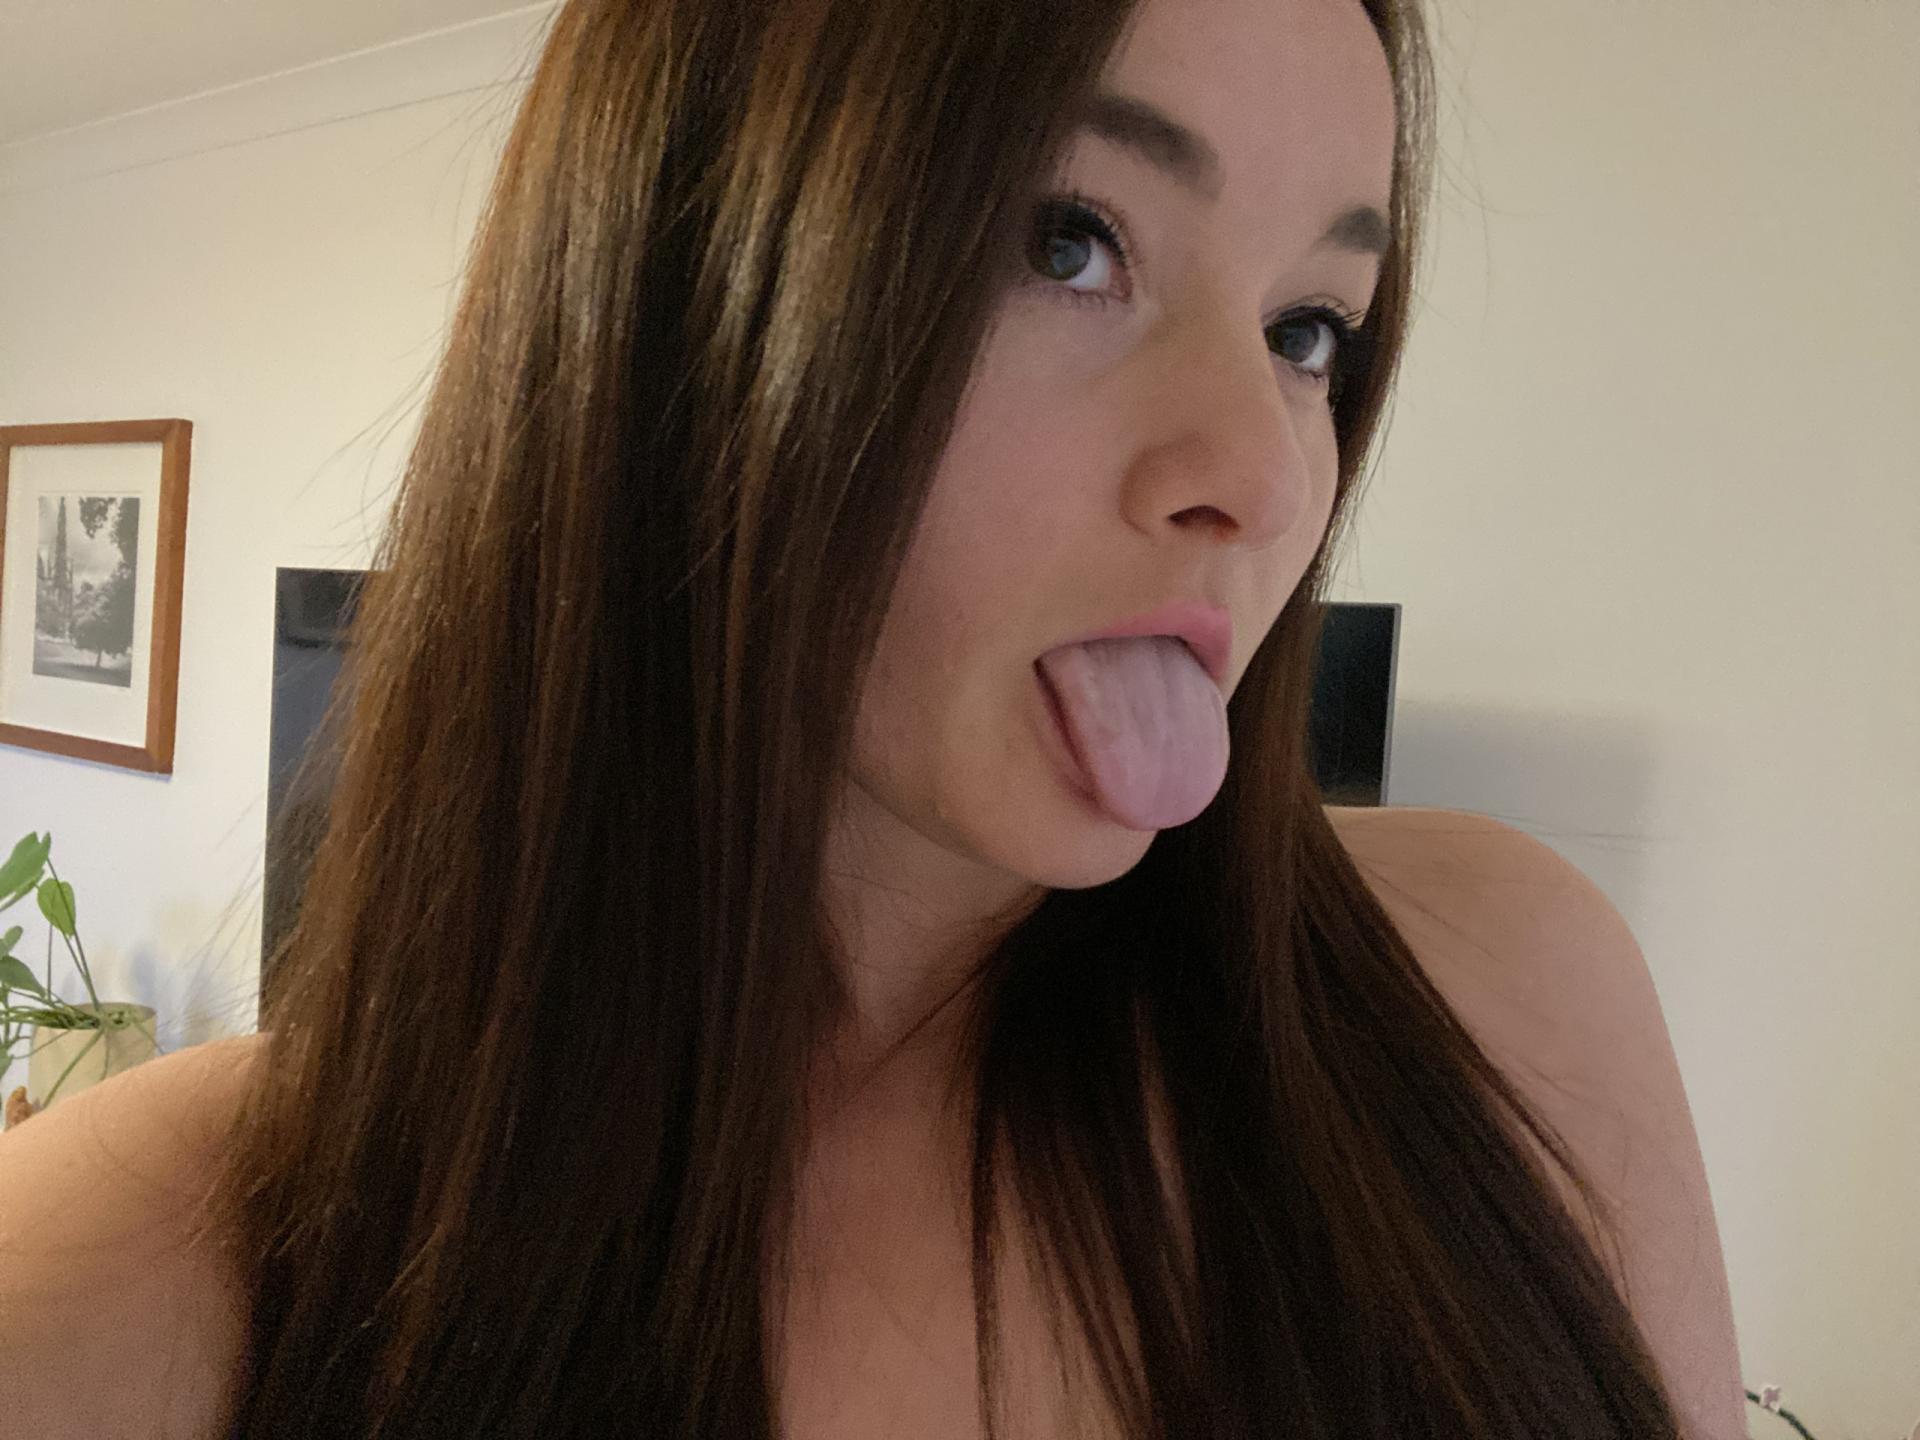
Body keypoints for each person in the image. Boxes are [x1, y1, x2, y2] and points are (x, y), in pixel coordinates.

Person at [0, 0, 1747, 1434]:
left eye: (1308, 330)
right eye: (1069, 241)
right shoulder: (147, 1277)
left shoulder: (1508, 992)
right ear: (681, 299)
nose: (1263, 476)